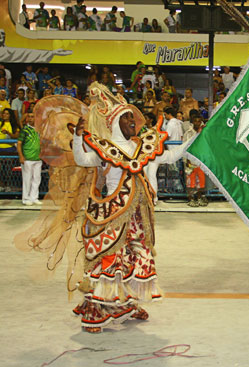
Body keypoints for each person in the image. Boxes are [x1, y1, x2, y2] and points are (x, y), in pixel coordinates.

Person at [16, 82, 190, 333]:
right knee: (109, 259)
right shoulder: (104, 148)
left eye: (133, 116)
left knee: (136, 258)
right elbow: (82, 159)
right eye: (127, 117)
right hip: (112, 214)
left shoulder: (143, 145)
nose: (133, 121)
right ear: (115, 122)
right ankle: (95, 309)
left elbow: (171, 156)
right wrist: (78, 137)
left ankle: (126, 303)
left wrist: (193, 144)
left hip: (140, 216)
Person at [17, 111, 41, 206]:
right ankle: (26, 198)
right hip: (27, 158)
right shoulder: (25, 130)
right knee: (27, 179)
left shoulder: (39, 130)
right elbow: (19, 144)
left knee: (37, 179)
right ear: (27, 119)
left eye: (33, 117)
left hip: (37, 158)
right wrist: (21, 156)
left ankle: (34, 197)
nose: (31, 118)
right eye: (29, 117)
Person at [186, 115, 207, 207]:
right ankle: (191, 199)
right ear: (192, 122)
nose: (197, 123)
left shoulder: (204, 132)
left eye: (199, 121)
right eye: (196, 121)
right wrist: (186, 160)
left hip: (200, 160)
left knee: (200, 181)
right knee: (190, 181)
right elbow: (185, 147)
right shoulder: (188, 133)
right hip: (190, 160)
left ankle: (199, 198)